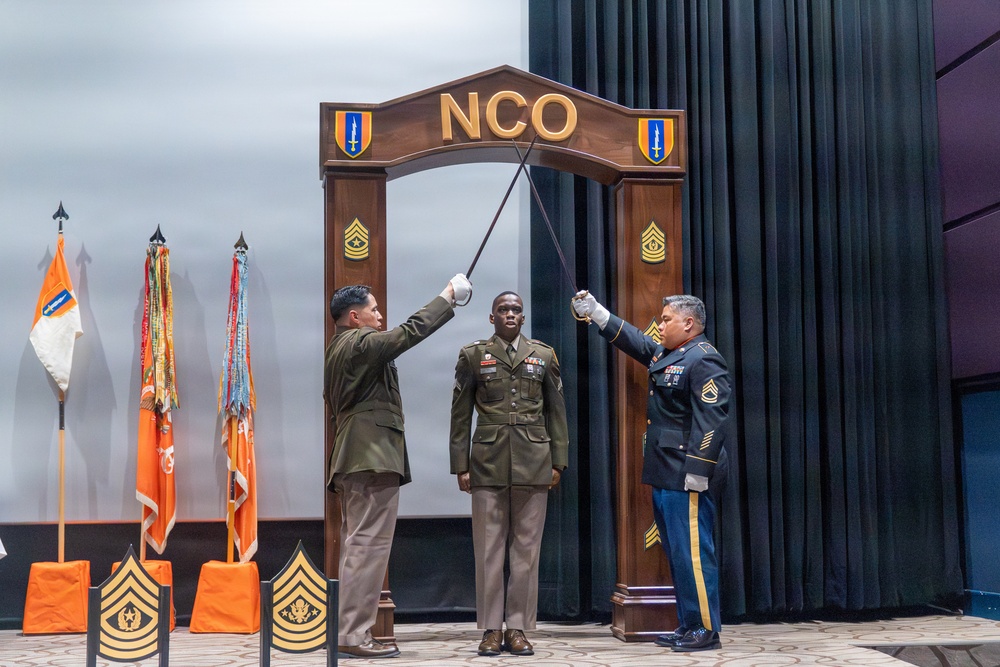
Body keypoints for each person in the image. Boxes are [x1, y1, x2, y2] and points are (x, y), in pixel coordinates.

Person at [573, 291, 731, 652]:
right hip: (666, 471)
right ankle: (690, 623)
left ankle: (706, 629)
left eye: (666, 319)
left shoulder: (705, 359)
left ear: (688, 323)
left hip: (688, 473)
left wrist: (699, 470)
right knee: (678, 552)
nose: (659, 325)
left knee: (693, 553)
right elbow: (638, 343)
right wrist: (598, 314)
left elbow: (712, 421)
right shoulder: (672, 354)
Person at [325, 274, 471, 659]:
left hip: (357, 456)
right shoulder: (359, 343)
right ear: (354, 317)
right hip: (371, 456)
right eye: (373, 310)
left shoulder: (338, 347)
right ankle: (353, 635)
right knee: (368, 547)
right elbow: (407, 334)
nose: (379, 315)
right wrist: (448, 297)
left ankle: (350, 631)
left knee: (360, 545)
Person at [450, 291, 569, 657]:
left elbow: (556, 411)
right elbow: (460, 414)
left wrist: (558, 461)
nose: (511, 314)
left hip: (534, 458)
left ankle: (517, 627)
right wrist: (461, 465)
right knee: (488, 550)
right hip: (487, 460)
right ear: (492, 318)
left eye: (517, 309)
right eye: (503, 309)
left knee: (526, 552)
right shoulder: (473, 355)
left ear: (523, 316)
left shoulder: (544, 355)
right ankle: (490, 628)